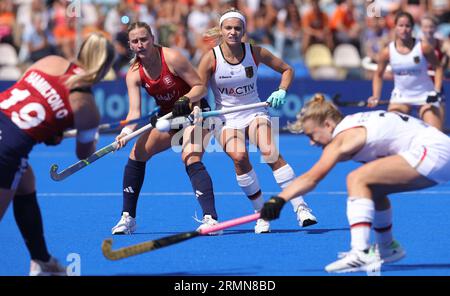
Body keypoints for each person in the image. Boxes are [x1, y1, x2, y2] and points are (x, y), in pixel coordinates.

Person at [261, 93, 450, 273]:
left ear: (327, 124)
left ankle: (360, 252)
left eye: (312, 135)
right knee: (373, 188)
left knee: (357, 178)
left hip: (433, 151)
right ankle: (387, 247)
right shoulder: (354, 124)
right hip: (439, 149)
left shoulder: (344, 137)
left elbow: (312, 178)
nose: (311, 142)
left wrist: (279, 199)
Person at [0, 33, 115, 275]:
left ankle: (41, 261)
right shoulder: (86, 104)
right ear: (104, 69)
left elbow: (20, 94)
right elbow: (83, 153)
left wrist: (51, 130)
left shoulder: (50, 61)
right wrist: (87, 134)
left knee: (26, 182)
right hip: (7, 149)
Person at [197, 9, 317, 234]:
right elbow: (198, 90)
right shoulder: (210, 59)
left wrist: (281, 90)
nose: (233, 32)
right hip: (225, 118)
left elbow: (287, 70)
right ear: (221, 31)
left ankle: (301, 208)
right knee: (240, 158)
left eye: (237, 28)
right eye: (228, 28)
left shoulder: (255, 52)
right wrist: (194, 107)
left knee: (270, 151)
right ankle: (261, 213)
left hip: (254, 111)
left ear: (244, 31)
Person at [111, 22, 221, 235]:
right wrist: (125, 133)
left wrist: (185, 99)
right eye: (135, 41)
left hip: (195, 113)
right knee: (137, 153)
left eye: (144, 39)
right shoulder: (134, 74)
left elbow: (200, 86)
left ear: (152, 38)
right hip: (169, 118)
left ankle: (211, 220)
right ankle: (128, 218)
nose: (140, 44)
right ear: (130, 46)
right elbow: (134, 113)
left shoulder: (172, 58)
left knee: (190, 156)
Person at [367, 11, 444, 130]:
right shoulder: (387, 52)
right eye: (401, 26)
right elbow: (378, 75)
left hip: (425, 97)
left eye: (407, 26)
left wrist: (436, 91)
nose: (404, 29)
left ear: (412, 28)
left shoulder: (423, 47)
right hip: (401, 98)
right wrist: (375, 96)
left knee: (435, 133)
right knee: (391, 131)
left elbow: (438, 68)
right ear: (395, 27)